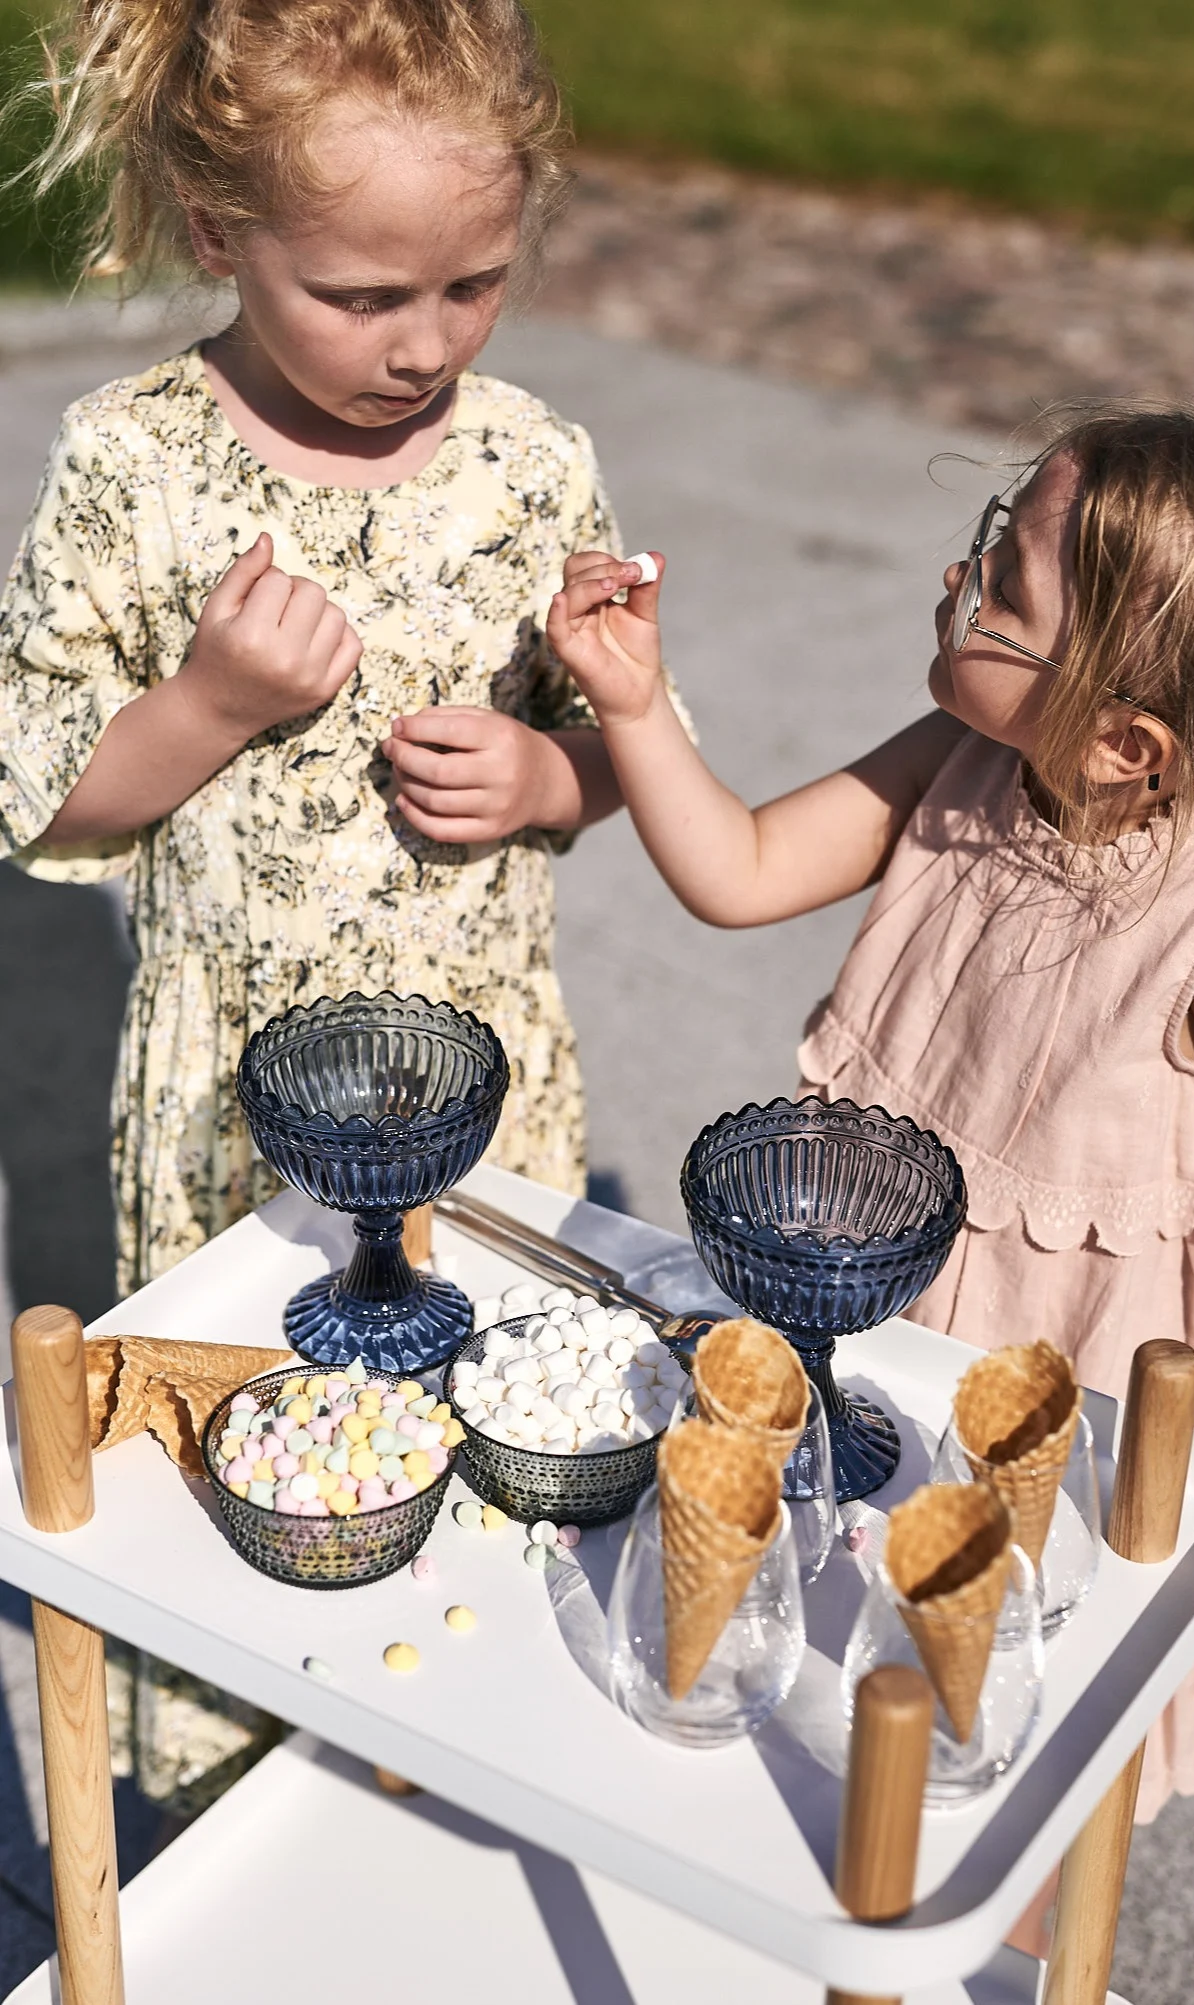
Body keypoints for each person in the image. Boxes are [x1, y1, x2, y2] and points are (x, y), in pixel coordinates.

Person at [0, 0, 683, 1812]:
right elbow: (45, 793)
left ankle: (461, 1759)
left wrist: (553, 777)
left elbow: (623, 750)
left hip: (487, 1086)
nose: (423, 343)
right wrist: (209, 705)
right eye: (365, 298)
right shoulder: (136, 460)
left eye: (473, 283)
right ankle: (262, 1775)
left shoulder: (532, 461)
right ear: (225, 240)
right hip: (239, 1108)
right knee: (265, 1465)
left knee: (477, 1462)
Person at [548, 403, 1194, 1839]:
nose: (962, 577)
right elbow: (737, 867)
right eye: (991, 539)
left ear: (1123, 742)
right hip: (859, 1339)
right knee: (822, 1678)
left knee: (1006, 1746)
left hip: (1051, 1400)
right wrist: (632, 698)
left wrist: (1154, 1248)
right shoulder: (959, 763)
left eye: (1005, 584)